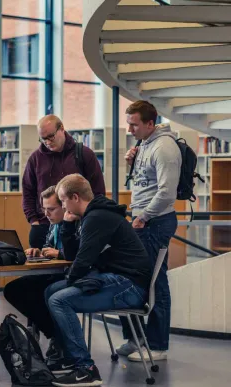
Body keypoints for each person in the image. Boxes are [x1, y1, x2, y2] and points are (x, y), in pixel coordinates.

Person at [44, 174, 151, 387]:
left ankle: (86, 369)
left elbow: (82, 261)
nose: (63, 205)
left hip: (129, 285)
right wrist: (67, 225)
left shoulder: (97, 218)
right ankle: (68, 355)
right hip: (115, 278)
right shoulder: (90, 216)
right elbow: (72, 256)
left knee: (59, 299)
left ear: (75, 197)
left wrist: (71, 281)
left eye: (63, 200)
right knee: (51, 291)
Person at [118, 100, 181, 362]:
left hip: (154, 222)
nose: (129, 129)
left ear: (149, 124)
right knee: (132, 277)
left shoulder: (164, 147)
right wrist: (129, 161)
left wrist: (142, 217)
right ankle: (136, 338)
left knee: (156, 282)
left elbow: (167, 193)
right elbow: (143, 183)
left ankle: (157, 345)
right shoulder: (144, 144)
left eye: (134, 124)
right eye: (129, 123)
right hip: (143, 220)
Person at [3, 185, 75, 362]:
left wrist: (59, 254)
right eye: (44, 209)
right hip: (54, 273)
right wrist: (39, 251)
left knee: (38, 292)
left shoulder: (74, 223)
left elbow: (78, 253)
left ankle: (59, 337)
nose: (46, 214)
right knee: (14, 289)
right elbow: (49, 247)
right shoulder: (54, 226)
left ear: (64, 206)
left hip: (71, 276)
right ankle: (55, 334)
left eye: (51, 209)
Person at [22, 114, 105, 249]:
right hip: (43, 224)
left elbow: (98, 192)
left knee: (69, 260)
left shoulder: (84, 154)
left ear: (62, 129)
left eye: (51, 137)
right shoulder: (35, 158)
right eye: (43, 139)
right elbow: (28, 191)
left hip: (76, 224)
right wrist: (34, 221)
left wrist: (87, 220)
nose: (48, 142)